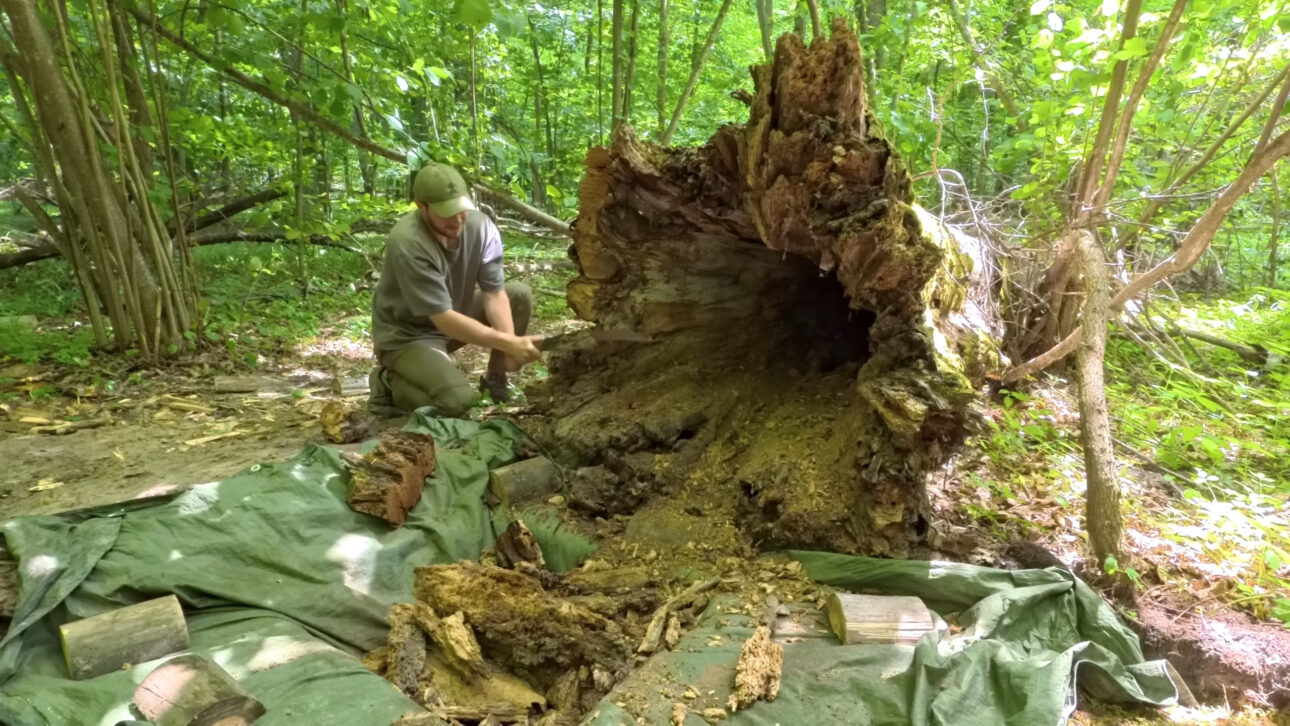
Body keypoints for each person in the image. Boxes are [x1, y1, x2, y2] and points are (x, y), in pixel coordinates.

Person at [367, 163, 543, 416]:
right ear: (421, 205)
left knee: (518, 294)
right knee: (458, 403)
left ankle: (496, 381)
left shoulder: (481, 227)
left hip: (450, 317)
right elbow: (444, 320)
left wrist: (509, 346)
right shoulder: (408, 241)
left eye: (462, 210)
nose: (457, 220)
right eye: (446, 213)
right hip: (407, 335)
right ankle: (388, 382)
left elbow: (494, 294)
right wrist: (510, 342)